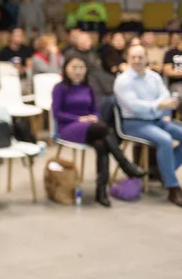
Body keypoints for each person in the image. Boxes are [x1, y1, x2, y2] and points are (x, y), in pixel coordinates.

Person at [52, 56, 145, 207]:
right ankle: (126, 165)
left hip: (90, 128)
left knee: (101, 143)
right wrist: (79, 118)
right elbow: (57, 114)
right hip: (68, 127)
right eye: (74, 67)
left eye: (81, 67)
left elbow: (95, 111)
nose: (78, 71)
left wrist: (93, 117)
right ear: (66, 68)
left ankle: (101, 191)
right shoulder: (59, 88)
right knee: (104, 129)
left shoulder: (88, 87)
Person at [114, 45, 182, 207]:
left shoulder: (154, 77)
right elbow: (135, 106)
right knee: (165, 140)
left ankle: (163, 170)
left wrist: (161, 106)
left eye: (140, 57)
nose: (137, 61)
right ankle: (172, 187)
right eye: (133, 57)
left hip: (157, 120)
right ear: (128, 59)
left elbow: (164, 94)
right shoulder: (123, 80)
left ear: (146, 58)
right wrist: (159, 106)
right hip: (134, 123)